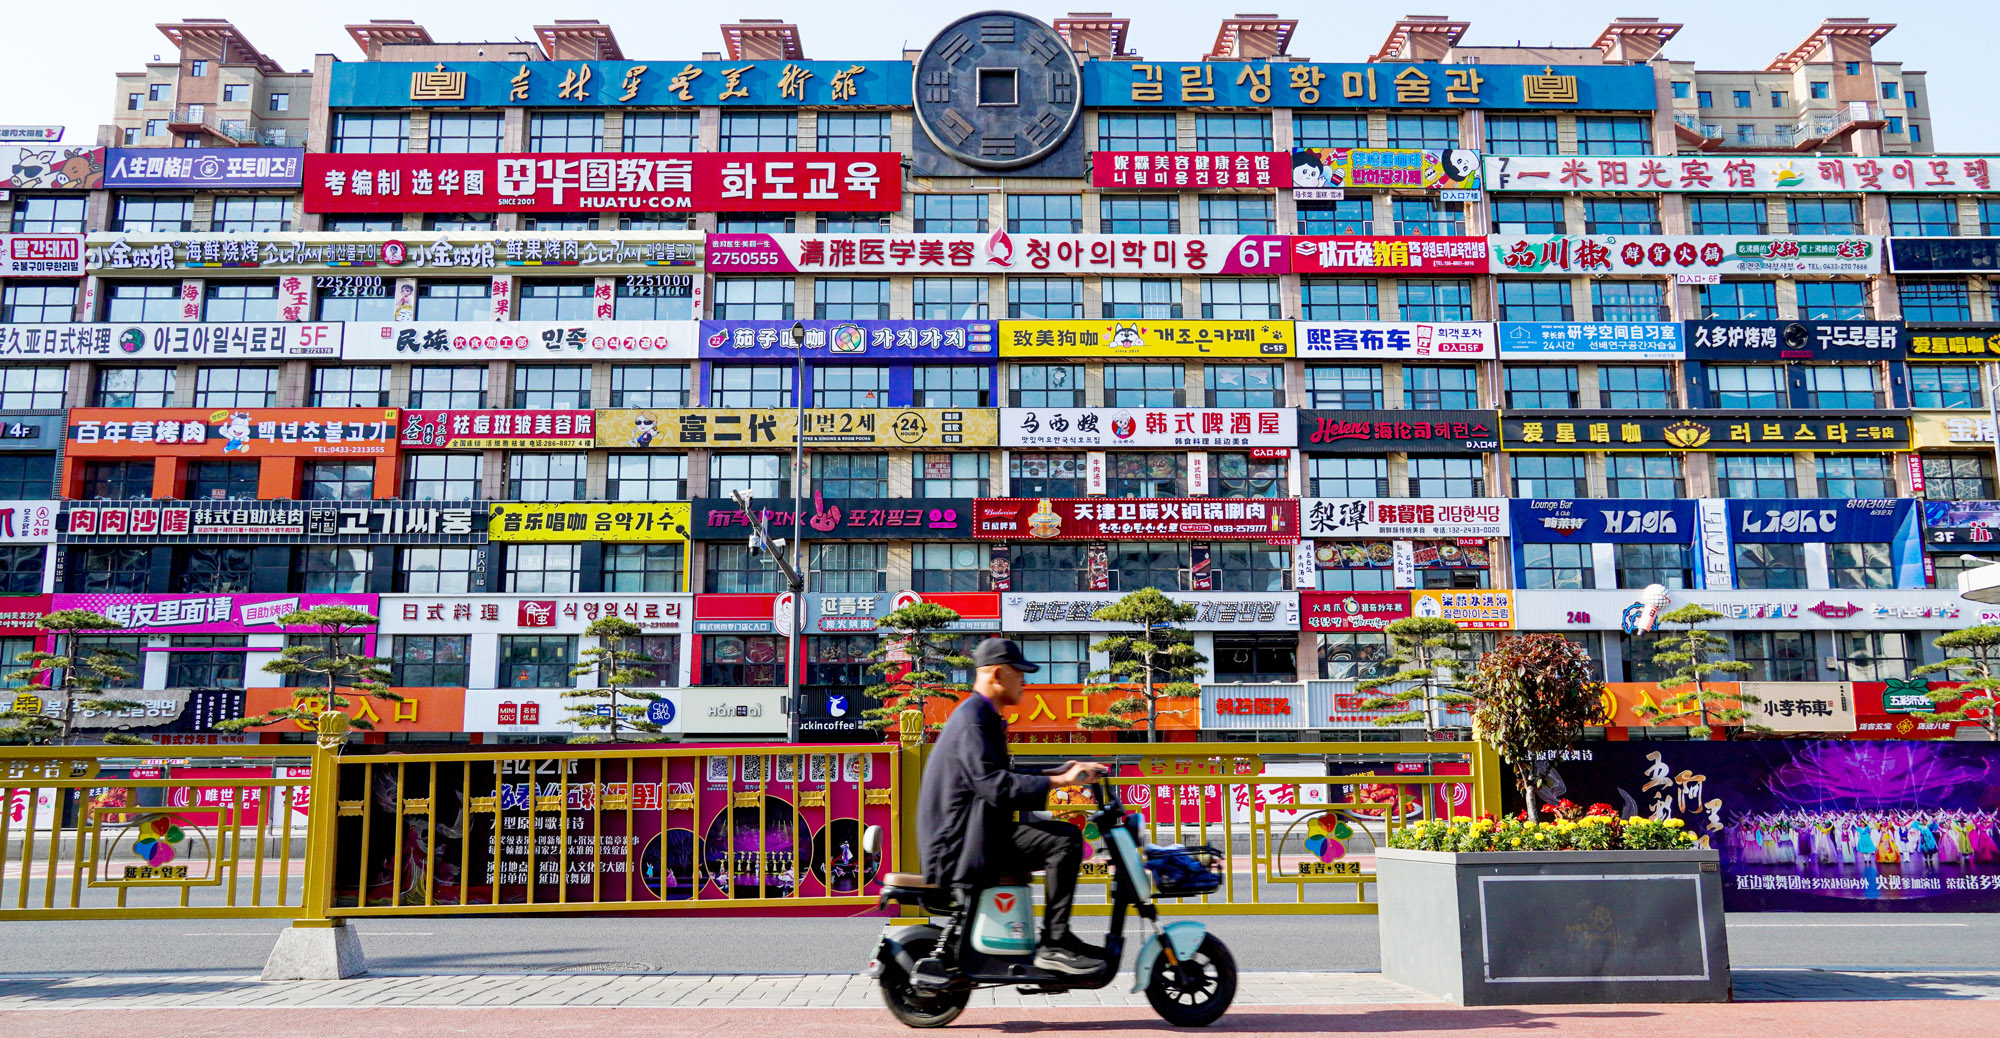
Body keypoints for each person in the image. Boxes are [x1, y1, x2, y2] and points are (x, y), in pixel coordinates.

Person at [917, 637, 1108, 975]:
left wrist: (1061, 770)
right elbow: (994, 786)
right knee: (1065, 840)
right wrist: (1060, 781)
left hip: (976, 833)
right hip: (962, 845)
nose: (1025, 681)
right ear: (997, 674)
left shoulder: (980, 715)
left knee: (1059, 837)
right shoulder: (974, 720)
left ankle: (1055, 940)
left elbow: (1001, 775)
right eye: (1019, 673)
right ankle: (1055, 943)